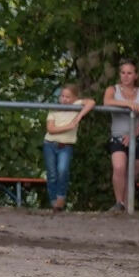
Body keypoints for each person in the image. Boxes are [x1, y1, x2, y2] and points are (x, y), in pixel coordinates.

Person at [43, 84, 95, 212]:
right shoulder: (54, 109)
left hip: (66, 146)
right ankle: (54, 202)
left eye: (68, 97)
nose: (64, 99)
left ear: (75, 98)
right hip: (50, 144)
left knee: (63, 171)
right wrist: (69, 126)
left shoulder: (76, 106)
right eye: (62, 96)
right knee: (52, 174)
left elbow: (91, 102)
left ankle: (60, 202)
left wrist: (79, 116)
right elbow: (50, 129)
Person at [103, 59, 139, 212]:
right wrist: (128, 104)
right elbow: (107, 102)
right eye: (123, 73)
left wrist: (133, 135)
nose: (126, 76)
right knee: (119, 166)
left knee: (132, 173)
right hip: (118, 136)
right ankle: (119, 202)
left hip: (138, 136)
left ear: (136, 75)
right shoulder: (112, 90)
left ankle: (129, 207)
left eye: (129, 73)